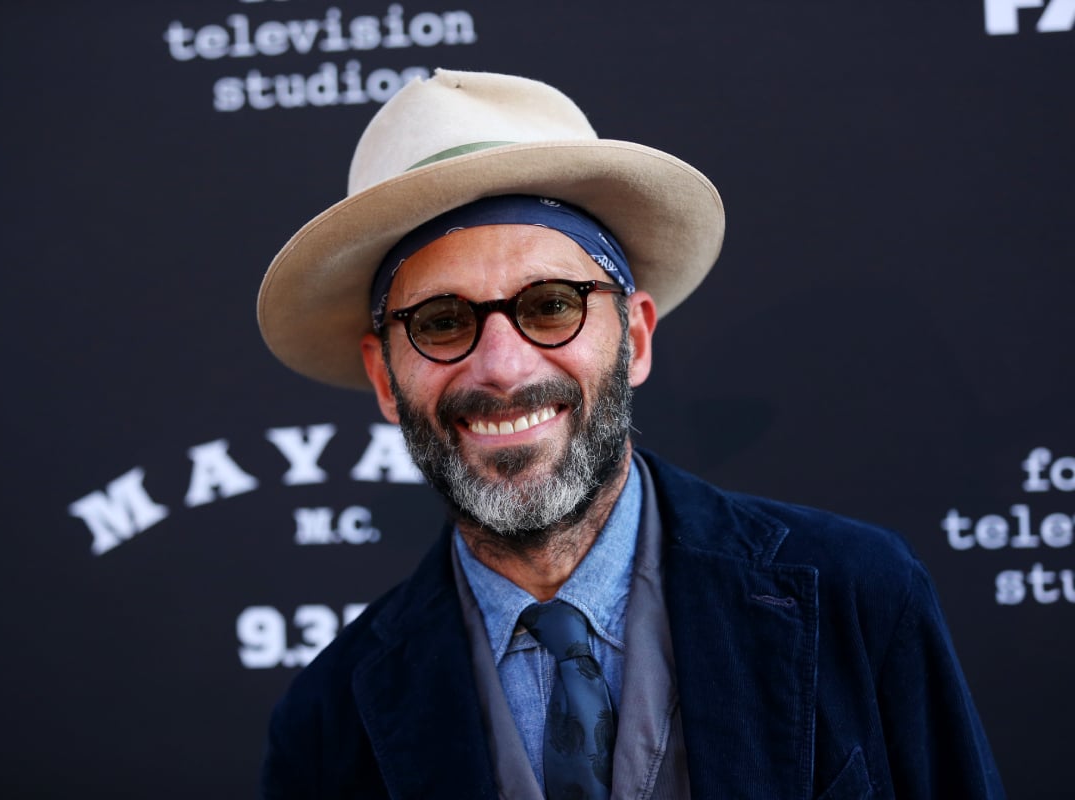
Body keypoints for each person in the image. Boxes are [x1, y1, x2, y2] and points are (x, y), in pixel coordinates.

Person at [255, 69, 1003, 799]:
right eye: (441, 322)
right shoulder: (326, 725)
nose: (503, 369)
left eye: (551, 304)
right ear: (386, 378)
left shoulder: (859, 596)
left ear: (635, 339)